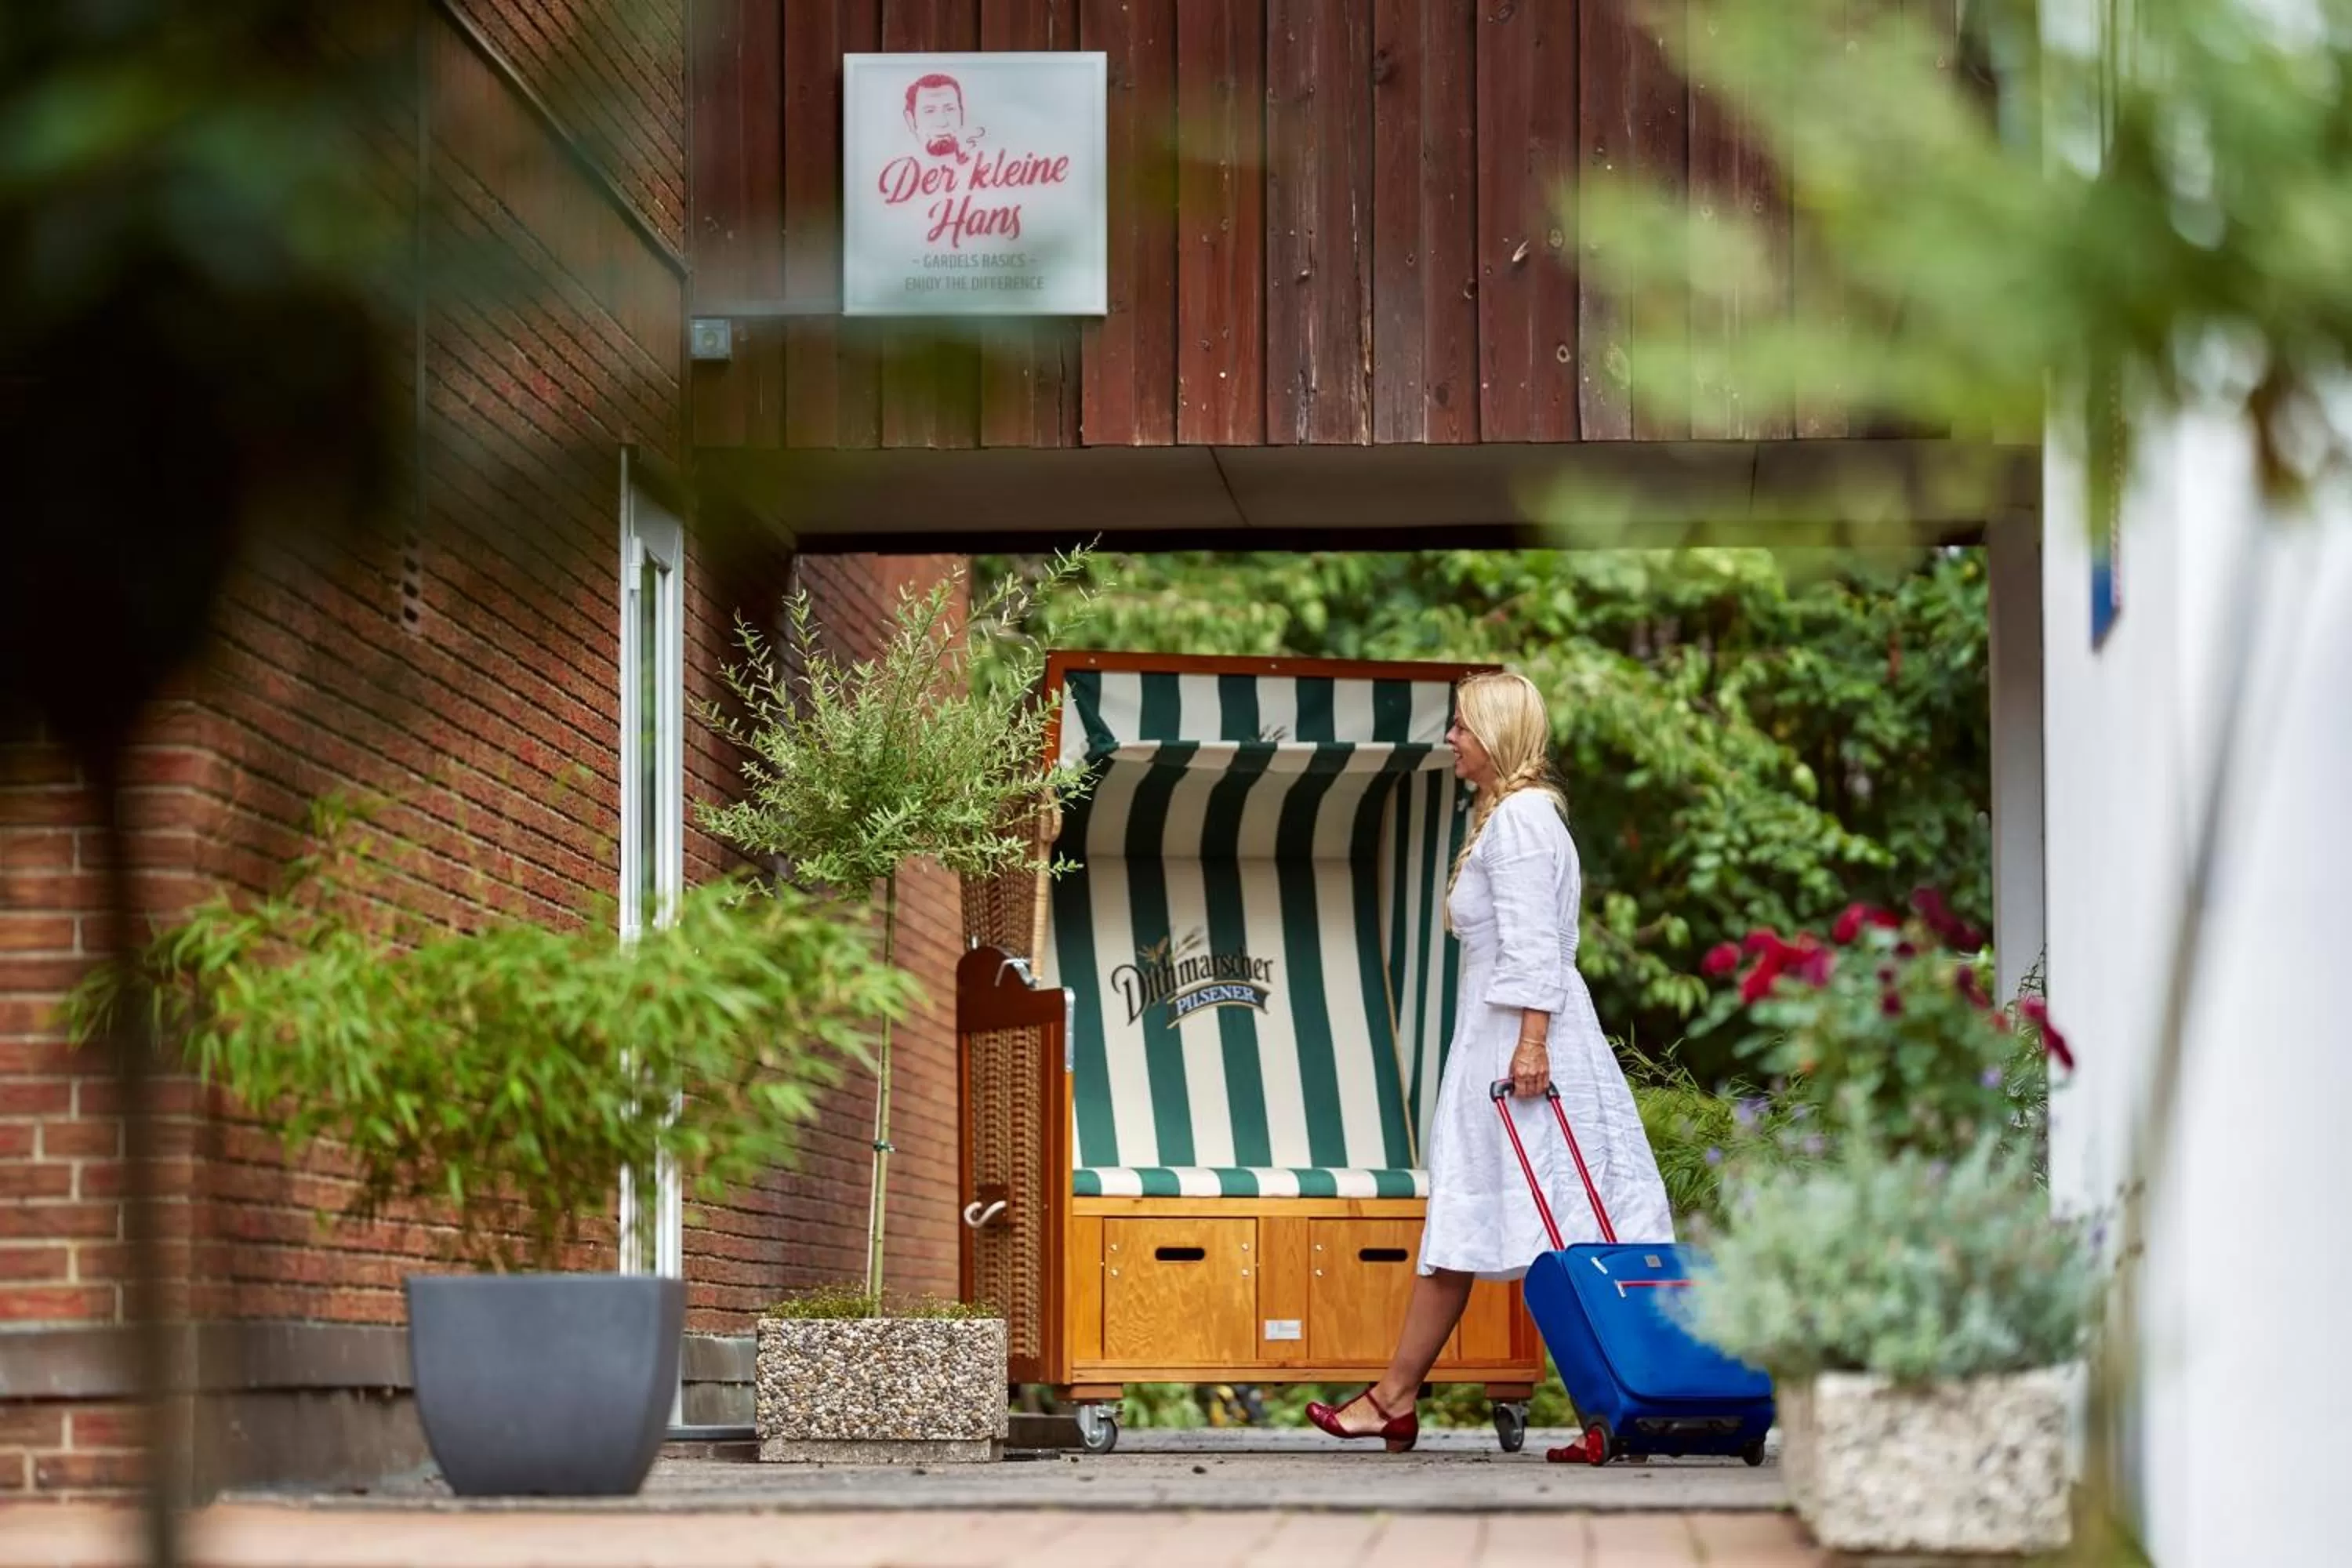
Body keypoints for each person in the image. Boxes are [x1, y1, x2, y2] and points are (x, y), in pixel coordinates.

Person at [1307, 670, 1675, 1452]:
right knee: (1491, 1217)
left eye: (1464, 727)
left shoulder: (1519, 823)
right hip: (1503, 1041)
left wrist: (1533, 1043)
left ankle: (1617, 1405)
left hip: (1522, 1047)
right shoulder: (1517, 817)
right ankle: (1399, 1394)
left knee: (1567, 1225)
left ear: (1498, 735)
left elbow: (1538, 944)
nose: (1452, 739)